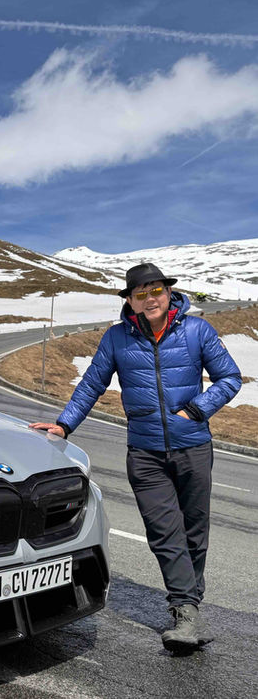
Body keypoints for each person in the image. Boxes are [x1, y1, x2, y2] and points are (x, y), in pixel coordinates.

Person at [29, 262, 241, 653]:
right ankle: (185, 609)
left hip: (193, 446)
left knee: (195, 529)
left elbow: (230, 378)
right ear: (129, 300)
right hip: (144, 451)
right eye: (140, 293)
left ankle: (188, 604)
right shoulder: (116, 339)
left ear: (169, 292)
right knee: (164, 531)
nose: (150, 299)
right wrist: (64, 425)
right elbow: (92, 382)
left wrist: (196, 410)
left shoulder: (196, 331)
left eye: (155, 290)